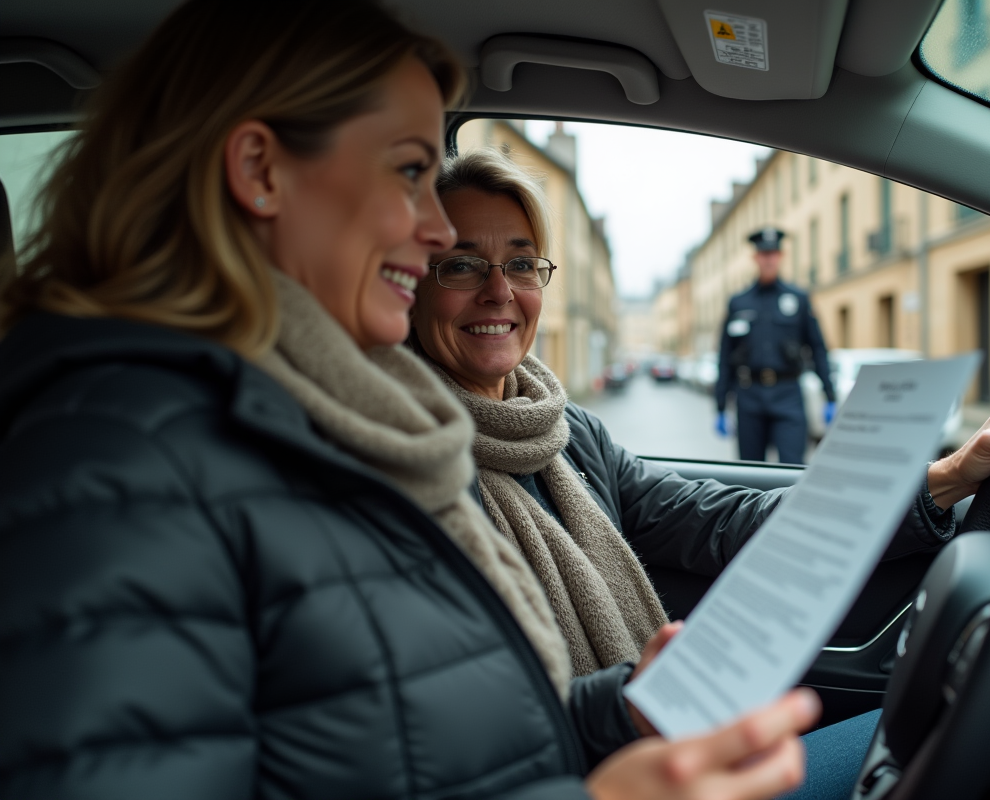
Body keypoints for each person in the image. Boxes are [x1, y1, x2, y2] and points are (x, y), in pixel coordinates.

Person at [0, 2, 826, 798]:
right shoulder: (117, 454)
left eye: (520, 261)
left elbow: (429, 736)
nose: (435, 233)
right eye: (409, 172)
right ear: (259, 171)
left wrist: (619, 709)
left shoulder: (354, 421)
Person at [408, 149, 990, 799]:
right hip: (599, 778)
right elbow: (444, 737)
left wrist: (949, 475)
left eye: (521, 263)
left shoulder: (572, 434)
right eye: (461, 264)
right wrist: (627, 704)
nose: (499, 290)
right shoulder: (406, 472)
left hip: (671, 755)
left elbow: (721, 521)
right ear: (410, 280)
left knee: (937, 725)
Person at [715, 226, 834, 463]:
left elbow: (818, 348)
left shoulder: (798, 298)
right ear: (755, 257)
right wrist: (720, 405)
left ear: (780, 256)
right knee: (751, 473)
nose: (768, 259)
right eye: (763, 254)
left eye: (773, 254)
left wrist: (829, 395)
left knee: (792, 470)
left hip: (788, 394)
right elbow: (725, 355)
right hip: (749, 395)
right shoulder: (739, 302)